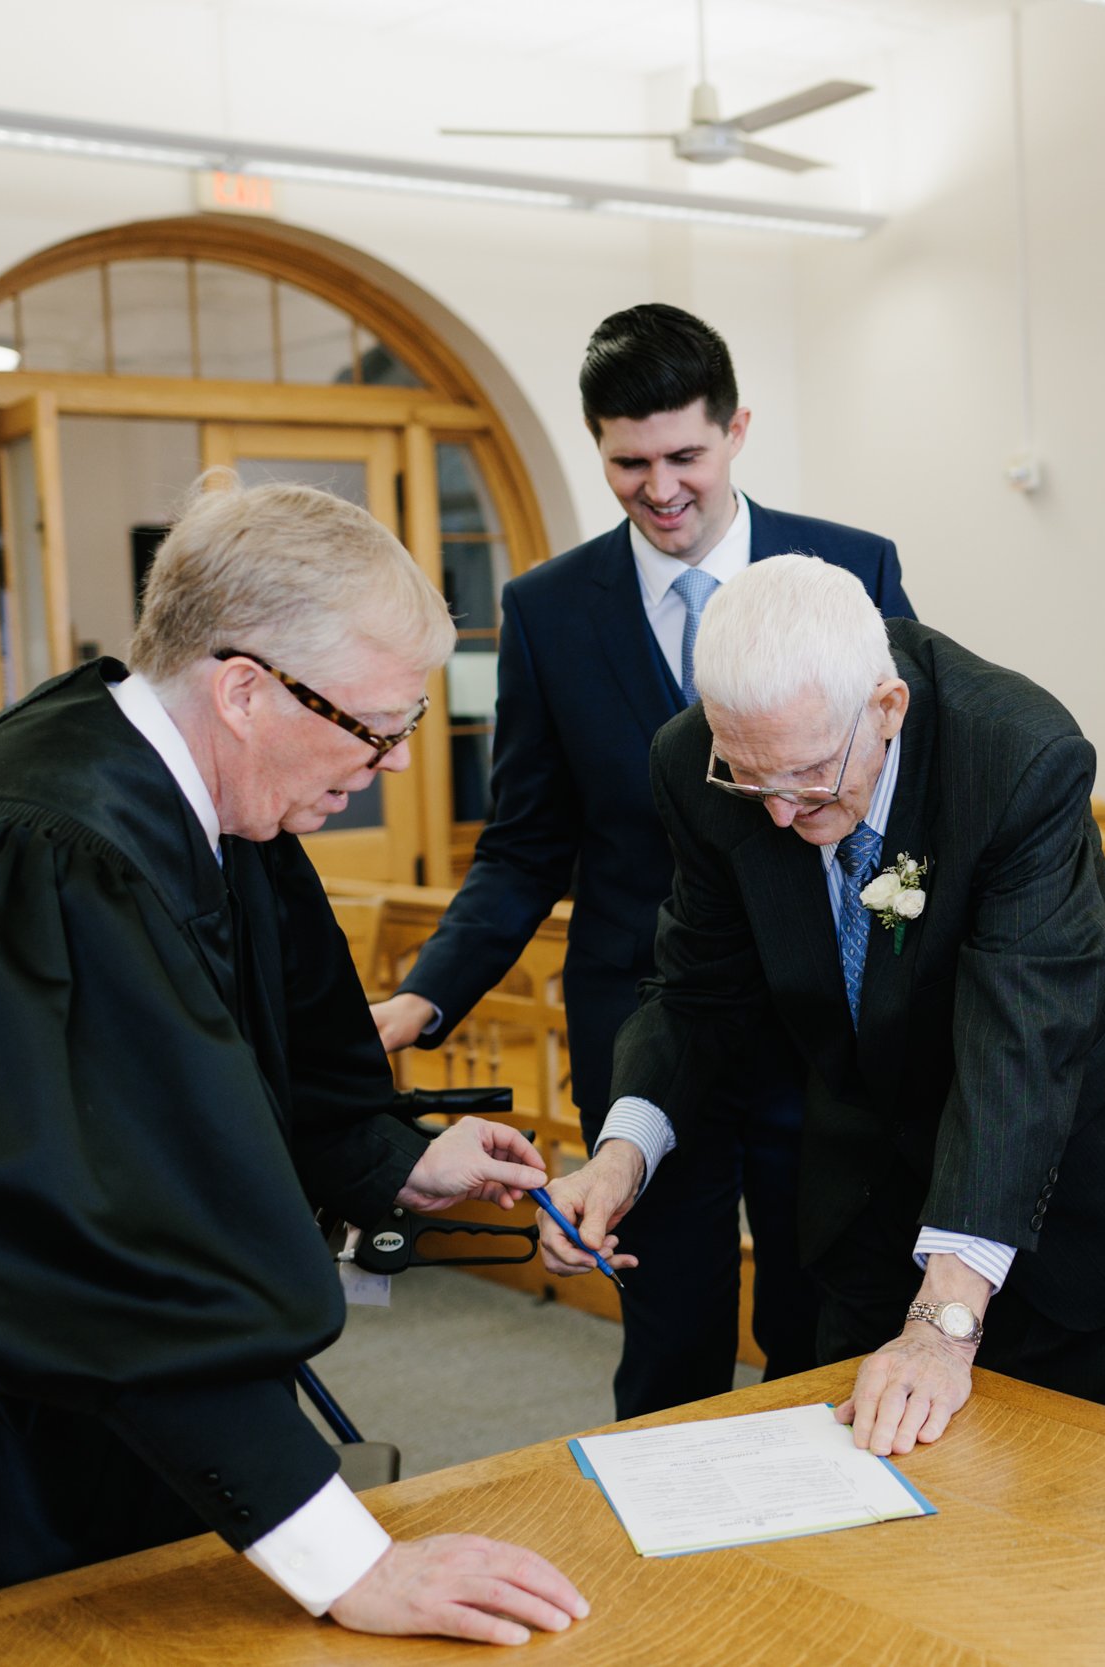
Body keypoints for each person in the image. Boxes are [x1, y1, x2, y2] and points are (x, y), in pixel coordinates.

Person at [0, 481, 587, 1644]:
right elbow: (93, 1247)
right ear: (244, 689)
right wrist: (344, 1554)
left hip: (127, 1411)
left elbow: (295, 1066)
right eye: (378, 726)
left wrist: (398, 1162)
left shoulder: (222, 806)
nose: (387, 764)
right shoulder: (23, 858)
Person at [369, 303, 915, 1418]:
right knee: (669, 1323)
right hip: (644, 1021)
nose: (660, 487)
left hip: (819, 1017)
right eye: (629, 462)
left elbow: (900, 792)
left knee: (818, 1314)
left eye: (684, 456)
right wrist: (423, 999)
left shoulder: (851, 567)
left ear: (736, 431)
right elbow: (523, 846)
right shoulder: (548, 609)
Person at [535, 556, 1105, 1450]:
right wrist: (621, 1159)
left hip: (1073, 1156)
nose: (778, 814)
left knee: (1063, 1482)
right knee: (862, 1452)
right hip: (876, 1154)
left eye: (810, 776)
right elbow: (696, 990)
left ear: (888, 707)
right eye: (752, 778)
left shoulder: (1015, 754)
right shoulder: (698, 764)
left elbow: (1022, 1044)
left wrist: (944, 1324)